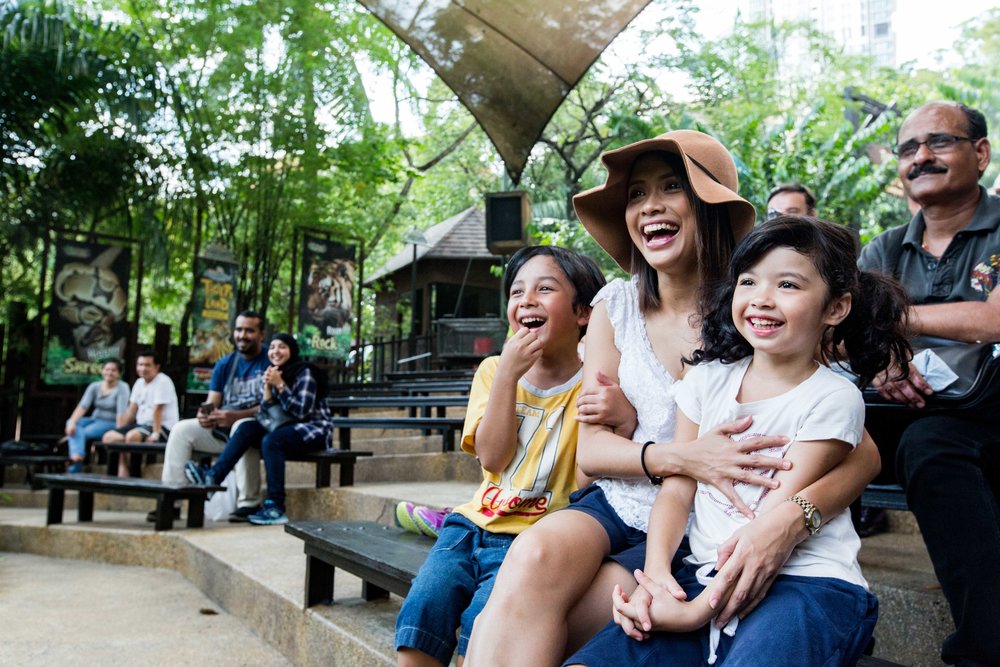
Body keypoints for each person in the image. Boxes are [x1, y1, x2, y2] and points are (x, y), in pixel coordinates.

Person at [465, 130, 882, 666]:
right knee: (533, 555)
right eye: (637, 194)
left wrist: (789, 521)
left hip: (714, 523)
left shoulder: (762, 310)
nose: (650, 206)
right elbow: (591, 453)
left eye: (671, 187)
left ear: (708, 206)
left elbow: (862, 451)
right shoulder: (615, 306)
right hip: (630, 501)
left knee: (579, 624)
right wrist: (684, 456)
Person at [569, 216, 909, 666]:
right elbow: (676, 489)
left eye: (787, 285)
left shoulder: (833, 397)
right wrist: (655, 580)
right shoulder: (706, 381)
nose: (761, 299)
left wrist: (692, 615)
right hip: (701, 572)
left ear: (836, 307)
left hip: (800, 580)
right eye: (749, 281)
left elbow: (766, 526)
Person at [394, 245, 606, 667]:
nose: (526, 299)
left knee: (484, 629)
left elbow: (587, 478)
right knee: (422, 614)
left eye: (545, 289)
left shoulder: (596, 382)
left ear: (583, 313)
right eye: (516, 292)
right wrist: (509, 375)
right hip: (470, 525)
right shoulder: (494, 371)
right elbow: (492, 458)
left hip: (533, 541)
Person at [858, 101, 1000, 666]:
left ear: (980, 152)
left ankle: (982, 650)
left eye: (938, 142)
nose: (921, 157)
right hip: (893, 419)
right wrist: (881, 363)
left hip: (986, 416)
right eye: (908, 149)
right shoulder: (883, 250)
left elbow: (993, 320)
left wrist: (889, 324)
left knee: (934, 446)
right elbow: (843, 331)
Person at [185, 333, 331, 526]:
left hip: (313, 429)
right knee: (246, 427)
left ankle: (275, 506)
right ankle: (212, 479)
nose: (275, 351)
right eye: (272, 347)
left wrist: (279, 384)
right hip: (284, 427)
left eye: (282, 347)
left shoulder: (305, 372)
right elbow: (267, 413)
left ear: (292, 351)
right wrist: (268, 389)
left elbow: (301, 411)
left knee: (271, 441)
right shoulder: (276, 373)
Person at [159, 311, 269, 522]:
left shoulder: (268, 361)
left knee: (242, 426)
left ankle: (248, 503)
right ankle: (171, 498)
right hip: (222, 429)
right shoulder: (225, 364)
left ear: (261, 335)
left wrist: (235, 416)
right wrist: (205, 414)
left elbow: (271, 406)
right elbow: (213, 401)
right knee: (181, 430)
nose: (242, 335)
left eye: (249, 330)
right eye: (238, 329)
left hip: (255, 430)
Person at [102, 350, 179, 477]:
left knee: (132, 436)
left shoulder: (163, 381)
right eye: (140, 364)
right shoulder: (139, 383)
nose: (143, 368)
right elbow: (131, 410)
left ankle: (134, 476)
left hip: (162, 427)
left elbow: (158, 410)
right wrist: (121, 429)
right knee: (109, 437)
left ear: (157, 367)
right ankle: (117, 472)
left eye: (147, 365)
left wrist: (155, 434)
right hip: (141, 425)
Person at [63, 359, 130, 472]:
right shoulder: (94, 386)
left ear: (119, 373)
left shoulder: (122, 387)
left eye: (113, 370)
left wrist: (119, 432)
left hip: (111, 422)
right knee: (71, 423)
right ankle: (77, 456)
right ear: (102, 371)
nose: (110, 372)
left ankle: (74, 468)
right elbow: (82, 406)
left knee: (81, 433)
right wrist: (72, 423)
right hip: (95, 419)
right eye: (107, 369)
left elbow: (121, 413)